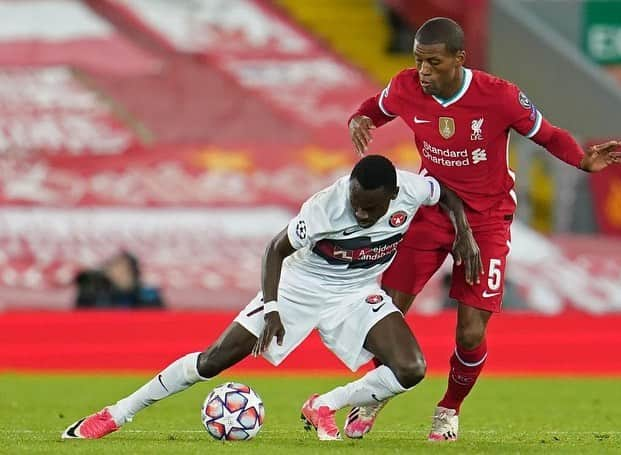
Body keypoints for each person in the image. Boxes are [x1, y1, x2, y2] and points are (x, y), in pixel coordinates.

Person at [344, 17, 621, 441]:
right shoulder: (407, 87)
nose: (423, 71)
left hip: (488, 220)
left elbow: (548, 135)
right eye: (419, 61)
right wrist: (358, 118)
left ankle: (449, 408)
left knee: (471, 330)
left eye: (434, 63)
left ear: (459, 59)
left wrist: (582, 160)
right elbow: (374, 107)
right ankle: (376, 395)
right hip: (432, 211)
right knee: (386, 312)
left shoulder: (500, 97)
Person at [61, 155, 482, 441]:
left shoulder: (410, 189)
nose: (362, 213)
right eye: (356, 202)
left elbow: (443, 192)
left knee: (412, 369)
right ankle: (116, 414)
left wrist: (463, 234)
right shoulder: (324, 209)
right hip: (297, 287)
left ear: (392, 196)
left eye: (370, 207)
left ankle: (323, 405)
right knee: (213, 360)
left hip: (355, 293)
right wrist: (274, 306)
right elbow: (274, 250)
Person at [74, 251, 164, 309]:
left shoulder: (148, 293)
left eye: (122, 267)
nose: (115, 270)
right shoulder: (99, 293)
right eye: (114, 266)